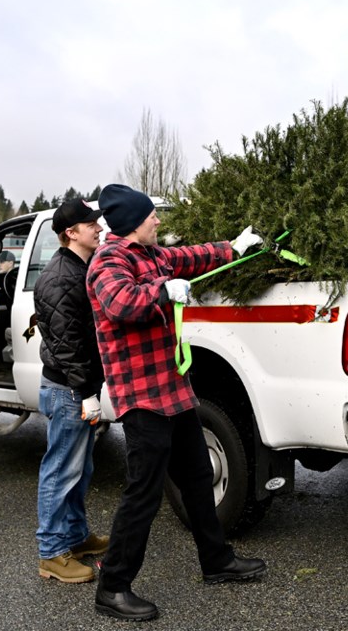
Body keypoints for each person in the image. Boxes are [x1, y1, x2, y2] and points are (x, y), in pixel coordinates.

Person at [86, 184, 267, 621]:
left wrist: (234, 247)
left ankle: (216, 561)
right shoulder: (107, 262)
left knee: (199, 476)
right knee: (143, 493)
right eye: (151, 216)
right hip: (142, 396)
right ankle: (113, 587)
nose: (159, 222)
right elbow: (121, 303)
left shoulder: (153, 255)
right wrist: (163, 293)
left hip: (175, 390)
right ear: (131, 223)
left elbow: (192, 257)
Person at [33, 200, 109, 583]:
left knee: (81, 468)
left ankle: (76, 538)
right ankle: (50, 552)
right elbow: (67, 344)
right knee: (61, 470)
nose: (98, 227)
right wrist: (85, 391)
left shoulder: (81, 268)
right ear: (70, 233)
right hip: (67, 390)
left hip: (76, 387)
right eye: (89, 223)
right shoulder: (61, 277)